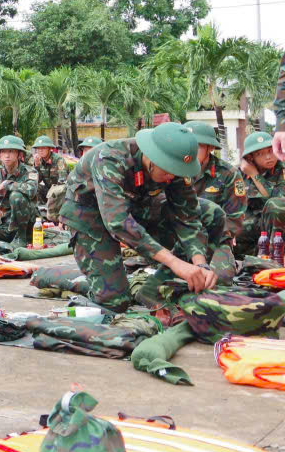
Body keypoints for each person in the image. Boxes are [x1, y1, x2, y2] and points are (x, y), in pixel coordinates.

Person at [59, 122, 212, 312]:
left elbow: (188, 216)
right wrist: (174, 262)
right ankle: (63, 276)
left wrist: (200, 263)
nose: (171, 178)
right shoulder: (110, 158)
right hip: (89, 215)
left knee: (210, 212)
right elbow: (118, 222)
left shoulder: (173, 167)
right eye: (167, 171)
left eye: (176, 172)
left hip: (135, 207)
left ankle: (152, 287)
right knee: (115, 302)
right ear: (151, 158)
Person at [184, 120, 246, 250]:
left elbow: (234, 220)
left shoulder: (229, 174)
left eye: (196, 146)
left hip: (214, 240)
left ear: (210, 147)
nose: (190, 151)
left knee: (219, 270)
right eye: (185, 145)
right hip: (180, 237)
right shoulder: (173, 170)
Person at [236, 130, 285, 255]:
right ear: (250, 157)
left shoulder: (282, 170)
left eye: (270, 151)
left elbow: (278, 202)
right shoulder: (237, 174)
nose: (268, 157)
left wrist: (254, 174)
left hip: (278, 228)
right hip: (250, 229)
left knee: (276, 205)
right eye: (260, 154)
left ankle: (276, 259)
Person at [29, 135, 65, 206]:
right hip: (48, 190)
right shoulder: (38, 160)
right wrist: (37, 166)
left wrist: (52, 192)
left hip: (59, 192)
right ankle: (40, 208)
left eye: (43, 148)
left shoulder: (58, 160)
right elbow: (35, 180)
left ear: (49, 149)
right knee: (33, 186)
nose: (40, 150)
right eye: (38, 148)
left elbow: (63, 181)